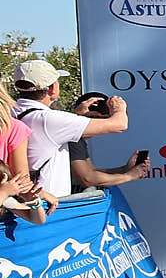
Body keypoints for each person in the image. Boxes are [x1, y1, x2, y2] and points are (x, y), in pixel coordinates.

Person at [11, 60, 132, 198]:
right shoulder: (48, 119)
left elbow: (47, 139)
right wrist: (118, 107)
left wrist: (77, 116)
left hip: (19, 202)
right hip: (47, 205)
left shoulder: (11, 113)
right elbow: (119, 124)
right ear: (52, 88)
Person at [61, 92, 153, 193]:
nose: (103, 126)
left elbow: (91, 172)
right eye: (103, 120)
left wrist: (125, 169)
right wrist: (128, 176)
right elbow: (87, 179)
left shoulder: (77, 139)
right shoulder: (72, 138)